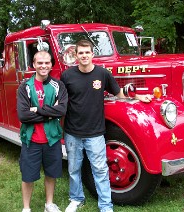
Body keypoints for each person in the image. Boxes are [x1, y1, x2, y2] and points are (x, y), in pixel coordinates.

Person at [60, 40, 152, 212]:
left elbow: (118, 93)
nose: (84, 56)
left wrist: (138, 97)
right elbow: (60, 101)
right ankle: (76, 198)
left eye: (87, 52)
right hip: (73, 132)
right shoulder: (67, 76)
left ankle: (105, 205)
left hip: (95, 132)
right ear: (76, 56)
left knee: (100, 170)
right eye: (81, 53)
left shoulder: (102, 74)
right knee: (73, 169)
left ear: (92, 55)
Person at [17, 51, 68, 212]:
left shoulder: (58, 85)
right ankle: (26, 208)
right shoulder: (25, 87)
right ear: (33, 65)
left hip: (51, 139)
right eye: (40, 63)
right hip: (31, 140)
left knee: (51, 173)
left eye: (47, 63)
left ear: (51, 65)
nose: (43, 66)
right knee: (28, 176)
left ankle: (49, 204)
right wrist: (49, 114)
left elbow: (62, 110)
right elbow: (23, 115)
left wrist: (37, 110)